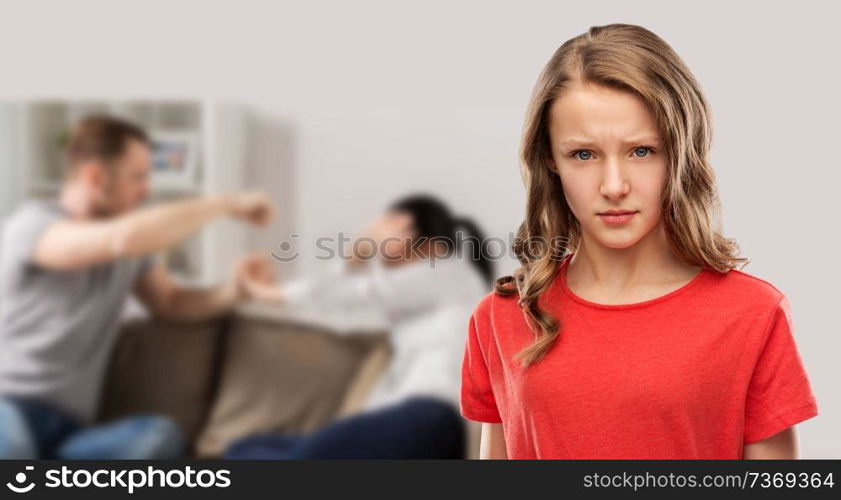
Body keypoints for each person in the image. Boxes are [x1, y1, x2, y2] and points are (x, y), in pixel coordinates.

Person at [460, 24, 819, 460]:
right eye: (584, 154)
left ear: (680, 152)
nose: (614, 186)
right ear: (549, 160)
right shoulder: (500, 316)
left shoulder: (752, 314)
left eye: (642, 151)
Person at [0, 115, 276, 459]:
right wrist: (226, 204)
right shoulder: (33, 225)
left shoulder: (128, 250)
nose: (147, 189)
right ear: (96, 177)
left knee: (159, 436)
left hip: (71, 432)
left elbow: (171, 301)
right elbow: (121, 239)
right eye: (138, 177)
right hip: (9, 407)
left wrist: (236, 291)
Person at [224, 194, 493, 459]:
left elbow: (351, 294)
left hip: (430, 419)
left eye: (388, 225)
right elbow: (344, 293)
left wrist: (261, 291)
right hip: (399, 421)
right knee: (244, 449)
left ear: (426, 240)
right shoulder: (413, 301)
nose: (376, 233)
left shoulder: (449, 273)